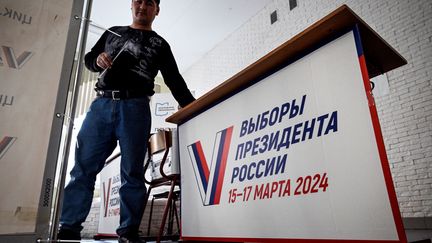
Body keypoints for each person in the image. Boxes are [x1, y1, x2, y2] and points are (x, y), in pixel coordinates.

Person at [57, 0, 195, 242]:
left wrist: (193, 107)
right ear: (132, 5)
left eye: (149, 3)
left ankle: (128, 232)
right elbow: (89, 60)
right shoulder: (113, 32)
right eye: (138, 1)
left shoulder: (161, 45)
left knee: (132, 172)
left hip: (136, 107)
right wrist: (97, 60)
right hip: (100, 106)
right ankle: (68, 228)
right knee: (82, 169)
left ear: (157, 9)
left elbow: (175, 80)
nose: (143, 6)